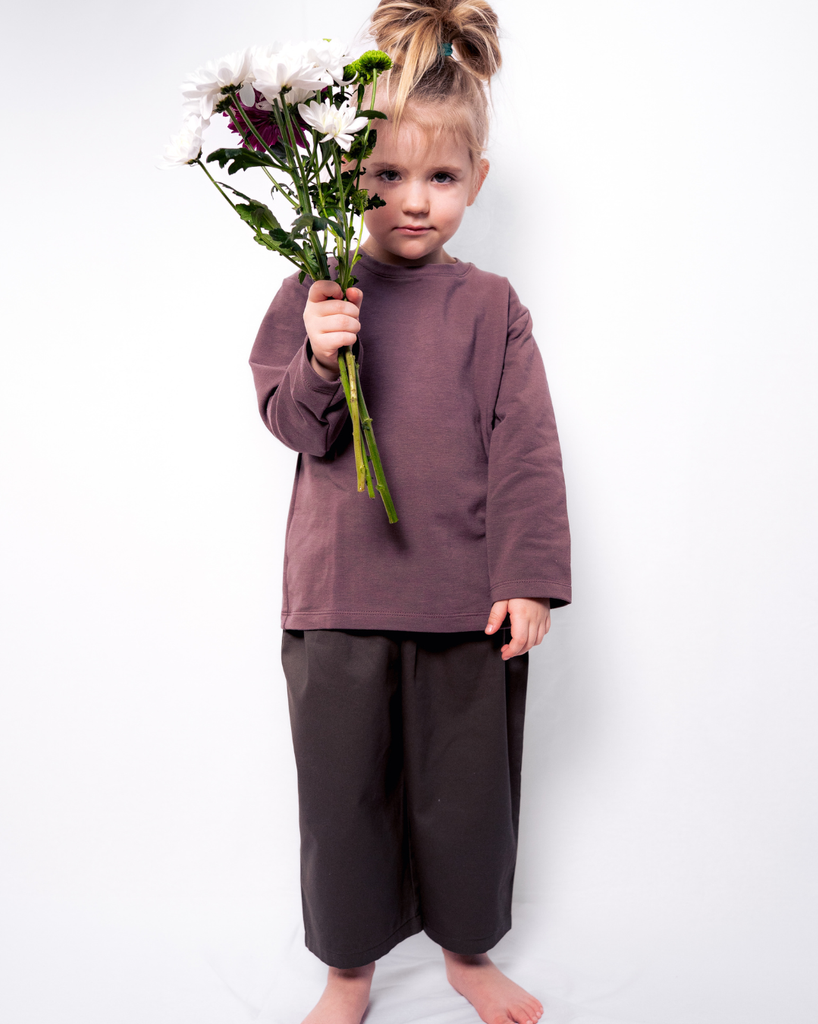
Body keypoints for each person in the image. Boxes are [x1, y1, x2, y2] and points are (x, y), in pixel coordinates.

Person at [248, 2, 571, 1021]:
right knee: (342, 797)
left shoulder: (494, 307)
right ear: (343, 173)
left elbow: (525, 447)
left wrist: (527, 578)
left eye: (441, 178)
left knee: (467, 798)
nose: (414, 202)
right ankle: (348, 971)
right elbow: (293, 425)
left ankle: (468, 954)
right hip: (337, 599)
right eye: (386, 175)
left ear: (477, 179)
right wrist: (319, 356)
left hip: (463, 602)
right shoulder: (316, 290)